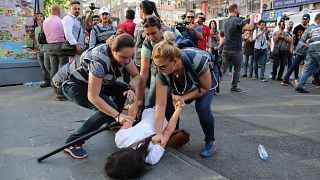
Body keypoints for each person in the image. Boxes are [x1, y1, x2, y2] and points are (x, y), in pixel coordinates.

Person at [52, 34, 141, 159]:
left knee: (123, 89)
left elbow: (137, 76)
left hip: (96, 82)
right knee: (107, 110)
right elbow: (93, 97)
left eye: (129, 57)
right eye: (123, 57)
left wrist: (132, 87)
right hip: (73, 84)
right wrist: (116, 114)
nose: (127, 61)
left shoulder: (124, 54)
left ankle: (112, 122)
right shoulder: (99, 60)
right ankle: (73, 142)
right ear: (113, 50)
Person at [151, 31, 217, 158]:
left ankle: (210, 141)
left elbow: (204, 88)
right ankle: (172, 132)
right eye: (157, 66)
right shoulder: (161, 69)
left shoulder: (197, 60)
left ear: (175, 61)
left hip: (203, 82)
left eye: (163, 67)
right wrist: (158, 132)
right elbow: (160, 103)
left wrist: (183, 98)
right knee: (169, 102)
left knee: (202, 107)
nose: (159, 70)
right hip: (182, 80)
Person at [105, 89, 184, 179]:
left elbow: (131, 116)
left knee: (160, 83)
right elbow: (168, 131)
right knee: (170, 87)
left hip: (150, 110)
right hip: (167, 114)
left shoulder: (120, 139)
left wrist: (135, 95)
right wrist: (178, 108)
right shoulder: (151, 157)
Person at [221, 4, 255, 93]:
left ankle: (214, 86)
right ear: (235, 9)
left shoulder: (225, 21)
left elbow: (235, 27)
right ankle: (234, 87)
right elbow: (250, 27)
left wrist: (245, 20)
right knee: (237, 69)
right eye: (238, 9)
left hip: (226, 48)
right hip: (236, 49)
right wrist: (252, 18)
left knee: (223, 69)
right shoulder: (237, 20)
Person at [43, 4, 68, 101]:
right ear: (57, 10)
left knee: (53, 68)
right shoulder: (60, 21)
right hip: (60, 46)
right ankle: (62, 91)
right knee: (63, 68)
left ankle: (55, 90)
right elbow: (65, 34)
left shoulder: (45, 21)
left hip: (50, 46)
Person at [281, 14, 310, 86]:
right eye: (303, 19)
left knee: (298, 64)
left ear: (308, 20)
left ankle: (287, 79)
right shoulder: (297, 27)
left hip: (307, 48)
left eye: (306, 19)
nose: (304, 21)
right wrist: (291, 47)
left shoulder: (309, 28)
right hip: (299, 48)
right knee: (309, 63)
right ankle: (296, 79)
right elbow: (293, 39)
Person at [295, 13, 320, 93]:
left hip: (311, 50)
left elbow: (302, 40)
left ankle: (300, 85)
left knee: (308, 70)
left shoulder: (311, 28)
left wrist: (298, 51)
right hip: (319, 49)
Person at [134, 0, 160, 71]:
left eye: (139, 10)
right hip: (151, 60)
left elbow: (136, 42)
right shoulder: (159, 22)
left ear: (141, 10)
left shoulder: (141, 25)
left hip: (144, 60)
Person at [33, 12, 51, 88]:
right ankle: (46, 81)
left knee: (48, 66)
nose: (39, 17)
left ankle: (54, 81)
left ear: (44, 18)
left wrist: (34, 16)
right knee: (42, 67)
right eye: (38, 16)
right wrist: (35, 46)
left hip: (46, 49)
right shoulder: (35, 28)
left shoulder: (45, 26)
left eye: (41, 16)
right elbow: (35, 39)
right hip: (39, 50)